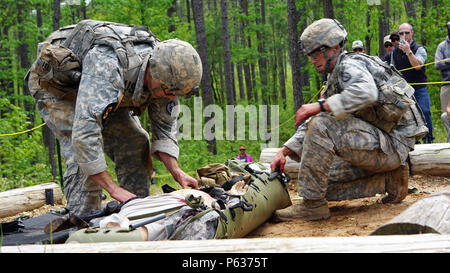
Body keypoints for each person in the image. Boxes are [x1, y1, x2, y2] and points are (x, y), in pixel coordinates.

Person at [27, 20, 202, 216]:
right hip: (60, 87)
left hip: (106, 91)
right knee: (81, 156)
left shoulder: (169, 79)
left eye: (175, 94)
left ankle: (140, 210)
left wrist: (177, 172)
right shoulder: (107, 64)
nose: (171, 97)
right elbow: (84, 135)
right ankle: (84, 220)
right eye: (168, 91)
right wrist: (114, 190)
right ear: (153, 73)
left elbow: (164, 129)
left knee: (135, 141)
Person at [270, 18, 428, 221]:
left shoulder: (349, 66)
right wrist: (284, 151)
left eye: (317, 52)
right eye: (310, 55)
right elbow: (321, 115)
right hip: (384, 147)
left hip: (391, 145)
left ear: (335, 47)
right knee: (314, 179)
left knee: (321, 126)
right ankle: (389, 180)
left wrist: (318, 106)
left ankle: (313, 206)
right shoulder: (338, 75)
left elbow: (366, 92)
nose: (313, 59)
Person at [386, 23, 434, 143]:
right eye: (401, 33)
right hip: (404, 91)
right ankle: (414, 142)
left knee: (425, 111)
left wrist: (408, 51)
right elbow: (393, 70)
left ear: (412, 33)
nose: (404, 35)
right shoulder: (395, 52)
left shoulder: (419, 49)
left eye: (407, 32)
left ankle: (429, 139)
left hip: (419, 87)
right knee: (408, 117)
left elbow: (417, 66)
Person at [435, 22, 450, 142]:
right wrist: (448, 62)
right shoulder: (442, 46)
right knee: (446, 115)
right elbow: (437, 64)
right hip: (446, 84)